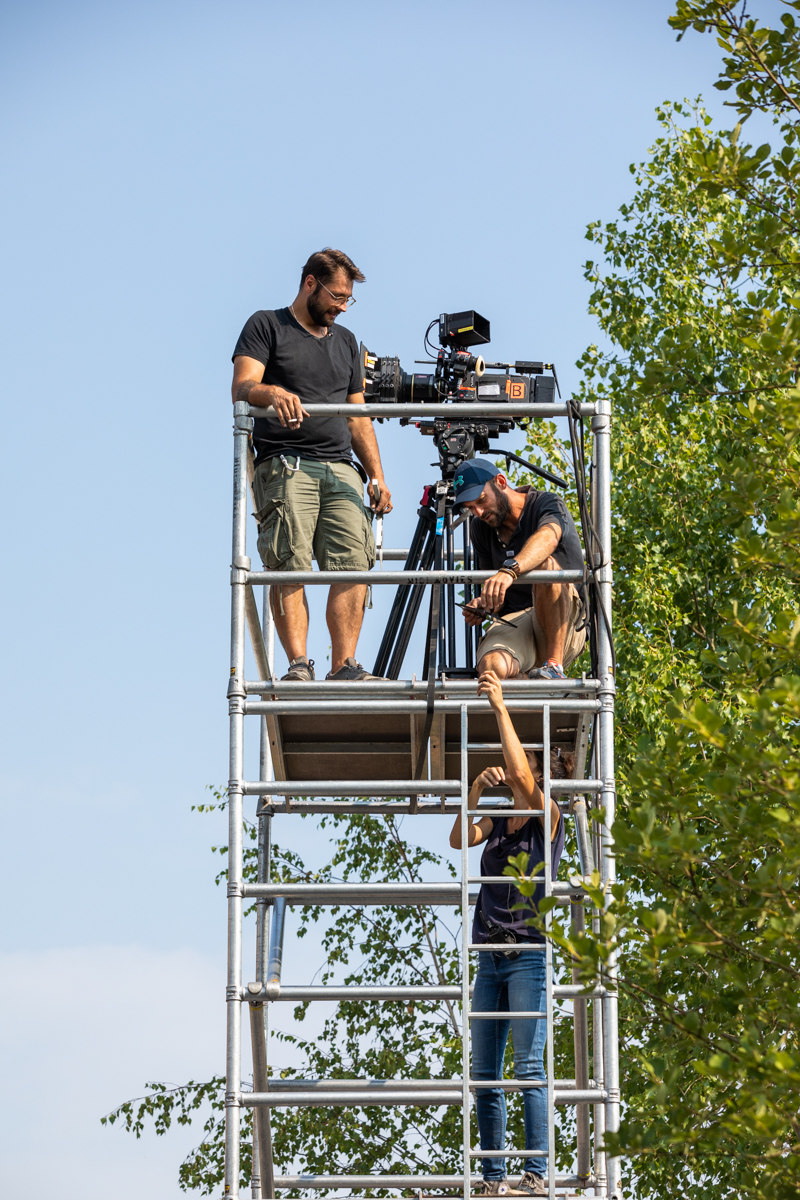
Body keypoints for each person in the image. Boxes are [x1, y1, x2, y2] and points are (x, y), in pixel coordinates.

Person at [231, 249, 392, 682]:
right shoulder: (266, 324)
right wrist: (272, 393)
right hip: (286, 465)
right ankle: (299, 665)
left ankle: (345, 666)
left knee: (355, 561)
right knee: (289, 562)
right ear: (309, 284)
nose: (342, 306)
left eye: (347, 300)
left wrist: (377, 474)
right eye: (337, 296)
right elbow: (242, 387)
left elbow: (358, 417)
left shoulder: (346, 342)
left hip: (340, 468)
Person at [449, 670, 572, 1197]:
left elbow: (523, 779)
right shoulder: (499, 824)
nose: (517, 774)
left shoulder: (549, 816)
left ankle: (538, 1175)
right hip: (489, 958)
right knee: (483, 1073)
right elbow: (458, 837)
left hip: (525, 957)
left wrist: (500, 709)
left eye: (527, 766)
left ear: (538, 776)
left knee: (527, 1067)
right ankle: (493, 1178)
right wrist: (476, 787)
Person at [454, 459, 586, 682]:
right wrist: (483, 604)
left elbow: (548, 537)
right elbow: (497, 597)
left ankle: (554, 668)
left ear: (501, 482)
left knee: (546, 567)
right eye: (470, 508)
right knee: (491, 668)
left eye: (481, 500)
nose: (478, 511)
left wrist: (509, 570)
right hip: (515, 621)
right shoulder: (480, 529)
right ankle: (529, 679)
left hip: (565, 621)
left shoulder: (546, 503)